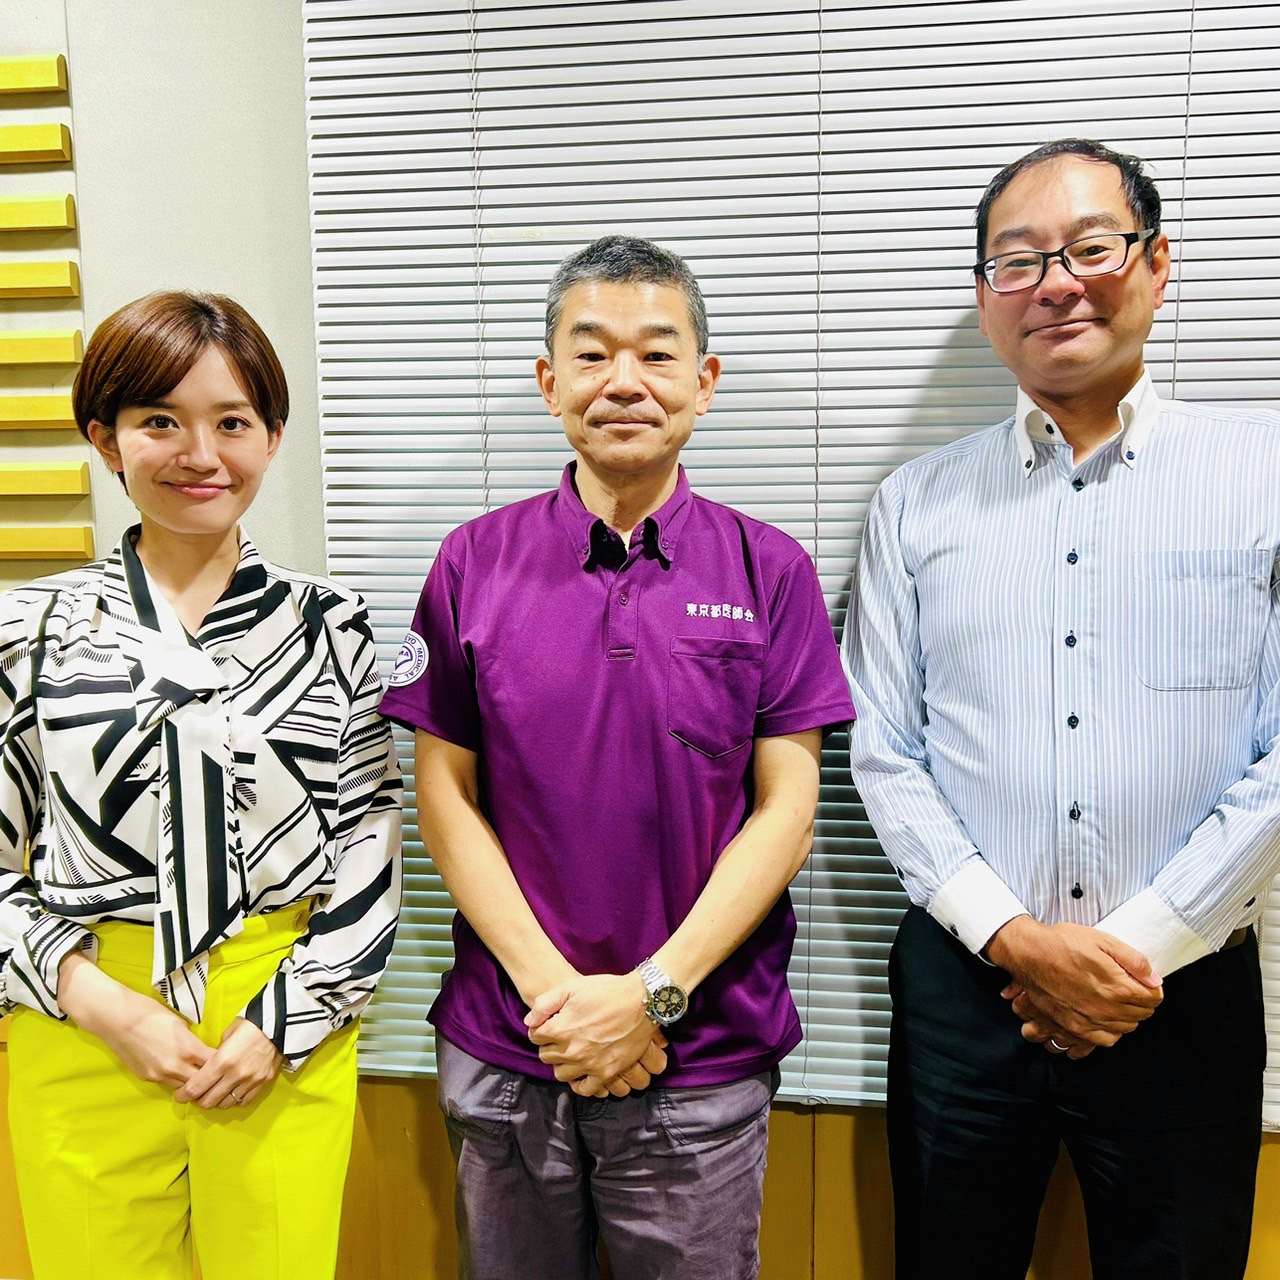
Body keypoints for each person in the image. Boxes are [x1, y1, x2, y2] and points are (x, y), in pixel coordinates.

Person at [843, 137, 1280, 1280]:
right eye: (1016, 260)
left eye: (1089, 246)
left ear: (1153, 262)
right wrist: (1012, 936)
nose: (1053, 282)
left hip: (1178, 992)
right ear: (984, 299)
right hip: (962, 989)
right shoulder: (914, 503)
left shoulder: (1262, 469)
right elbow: (883, 748)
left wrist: (1126, 957)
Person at [380, 235, 854, 1280]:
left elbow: (784, 805)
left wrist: (650, 994)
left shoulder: (765, 567)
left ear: (703, 379)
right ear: (549, 382)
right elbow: (443, 794)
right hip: (514, 1049)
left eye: (656, 352)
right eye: (590, 354)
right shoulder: (472, 559)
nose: (623, 382)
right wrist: (563, 1000)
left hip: (698, 1059)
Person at [0, 291, 403, 1280]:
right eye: (159, 422)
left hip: (277, 1021)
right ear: (105, 437)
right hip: (84, 1012)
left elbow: (368, 840)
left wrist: (283, 1020)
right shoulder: (29, 629)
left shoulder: (334, 627)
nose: (199, 454)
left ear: (271, 434)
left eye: (231, 421)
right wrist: (100, 1000)